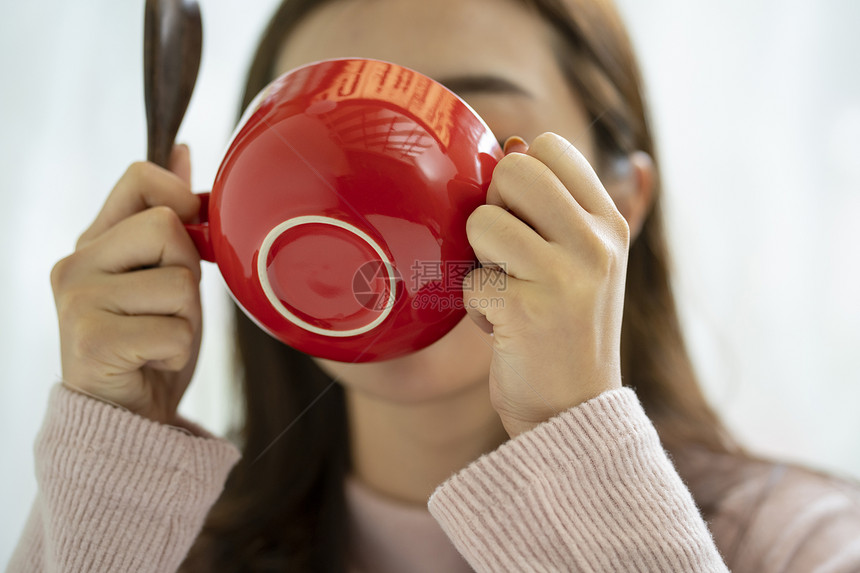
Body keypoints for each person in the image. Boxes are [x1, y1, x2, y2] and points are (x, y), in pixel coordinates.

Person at [7, 0, 860, 571]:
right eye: (320, 142)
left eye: (477, 122)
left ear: (621, 202)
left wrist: (573, 437)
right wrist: (112, 461)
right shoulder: (153, 543)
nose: (377, 196)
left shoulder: (801, 544)